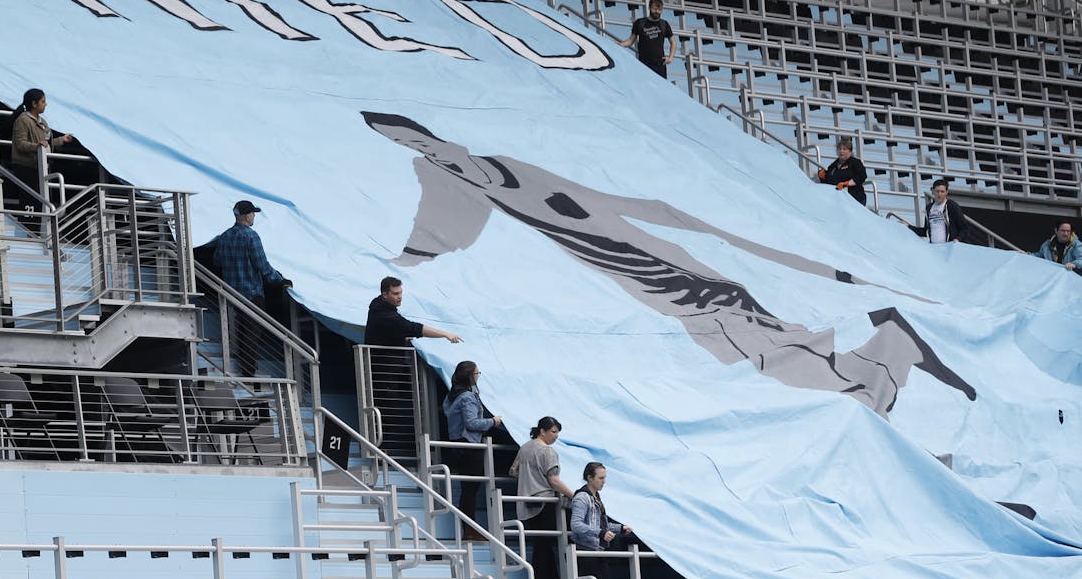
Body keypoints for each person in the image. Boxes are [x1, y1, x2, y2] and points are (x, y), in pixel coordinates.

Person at [362, 112, 977, 416]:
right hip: (669, 296)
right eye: (412, 147)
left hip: (691, 287)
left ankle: (891, 352)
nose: (424, 154)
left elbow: (633, 207)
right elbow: (444, 228)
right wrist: (411, 254)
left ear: (438, 141)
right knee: (769, 365)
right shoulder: (461, 179)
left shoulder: (509, 171)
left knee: (777, 363)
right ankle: (888, 358)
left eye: (420, 142)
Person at [212, 199, 293, 375]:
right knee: (251, 333)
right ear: (247, 216)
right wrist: (279, 280)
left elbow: (216, 260)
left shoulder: (224, 236)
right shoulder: (251, 236)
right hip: (251, 293)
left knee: (241, 330)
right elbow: (262, 266)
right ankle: (249, 372)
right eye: (253, 213)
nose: (254, 216)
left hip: (232, 293)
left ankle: (244, 367)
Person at [570, 462, 633, 579]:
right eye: (601, 478)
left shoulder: (596, 497)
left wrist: (620, 528)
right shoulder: (582, 497)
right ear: (589, 477)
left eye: (604, 478)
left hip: (596, 551)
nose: (604, 481)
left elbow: (602, 523)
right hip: (586, 551)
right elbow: (576, 525)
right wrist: (600, 533)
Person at [511, 416, 574, 579]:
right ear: (542, 431)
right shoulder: (548, 451)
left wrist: (529, 480)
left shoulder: (525, 448)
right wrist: (573, 495)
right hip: (545, 502)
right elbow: (553, 480)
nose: (556, 436)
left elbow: (513, 471)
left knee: (542, 545)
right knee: (544, 546)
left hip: (526, 502)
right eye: (553, 432)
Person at [441, 360, 502, 534]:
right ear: (470, 376)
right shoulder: (467, 396)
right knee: (470, 489)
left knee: (468, 488)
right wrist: (493, 422)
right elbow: (472, 422)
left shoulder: (451, 395)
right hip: (469, 444)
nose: (478, 376)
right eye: (477, 373)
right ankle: (469, 529)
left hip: (457, 443)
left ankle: (468, 528)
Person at [7, 87, 73, 208]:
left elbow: (47, 142)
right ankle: (28, 223)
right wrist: (36, 146)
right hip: (26, 166)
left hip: (39, 166)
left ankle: (36, 223)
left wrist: (62, 140)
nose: (45, 104)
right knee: (30, 199)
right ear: (34, 103)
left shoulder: (42, 121)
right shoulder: (23, 120)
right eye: (43, 101)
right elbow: (20, 144)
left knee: (40, 200)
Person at [364, 276, 462, 347]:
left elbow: (386, 333)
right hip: (385, 368)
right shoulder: (385, 314)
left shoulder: (379, 307)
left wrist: (401, 337)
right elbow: (412, 328)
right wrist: (445, 334)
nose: (400, 297)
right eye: (395, 294)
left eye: (401, 293)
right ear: (385, 295)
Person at [616, 0, 675, 79]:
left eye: (659, 10)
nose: (657, 11)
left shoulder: (664, 24)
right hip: (644, 64)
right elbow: (630, 41)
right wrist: (620, 44)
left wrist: (670, 57)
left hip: (660, 64)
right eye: (654, 9)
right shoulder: (640, 23)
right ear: (649, 8)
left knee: (660, 90)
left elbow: (673, 42)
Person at [910, 179, 966, 245]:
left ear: (947, 192)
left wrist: (957, 239)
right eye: (937, 191)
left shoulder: (952, 205)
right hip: (934, 249)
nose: (939, 194)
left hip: (948, 248)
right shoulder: (929, 208)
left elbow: (964, 228)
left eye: (942, 191)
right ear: (932, 191)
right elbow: (926, 231)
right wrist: (909, 226)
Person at [816, 138, 867, 205]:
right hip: (839, 201)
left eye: (844, 149)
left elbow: (862, 176)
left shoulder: (855, 162)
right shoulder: (833, 165)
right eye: (839, 149)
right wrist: (822, 176)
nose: (841, 151)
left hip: (856, 199)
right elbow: (829, 181)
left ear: (850, 151)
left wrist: (847, 183)